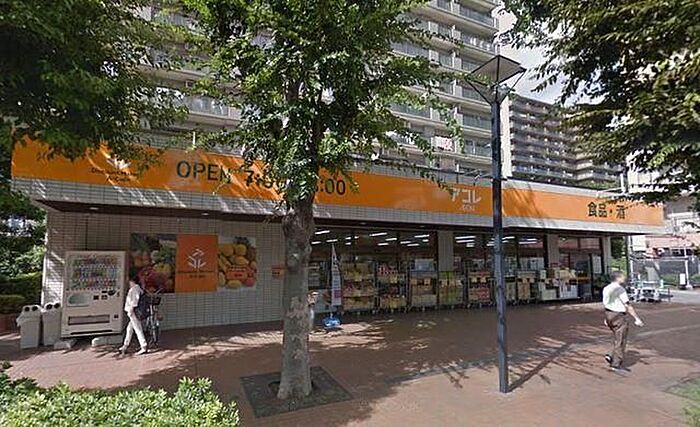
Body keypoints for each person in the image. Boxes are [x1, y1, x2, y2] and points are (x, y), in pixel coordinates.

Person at [602, 271, 643, 372]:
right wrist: (636, 318)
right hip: (619, 315)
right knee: (621, 339)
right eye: (623, 276)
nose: (624, 278)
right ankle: (615, 364)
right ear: (618, 278)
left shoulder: (606, 288)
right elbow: (627, 305)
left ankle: (611, 355)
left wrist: (607, 318)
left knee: (618, 337)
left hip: (609, 314)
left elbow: (607, 302)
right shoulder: (620, 289)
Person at [118, 279, 148, 355]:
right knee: (129, 329)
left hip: (133, 312)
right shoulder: (136, 288)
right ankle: (125, 345)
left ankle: (143, 346)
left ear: (132, 281)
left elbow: (135, 301)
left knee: (138, 329)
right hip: (133, 312)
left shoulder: (135, 289)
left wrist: (131, 311)